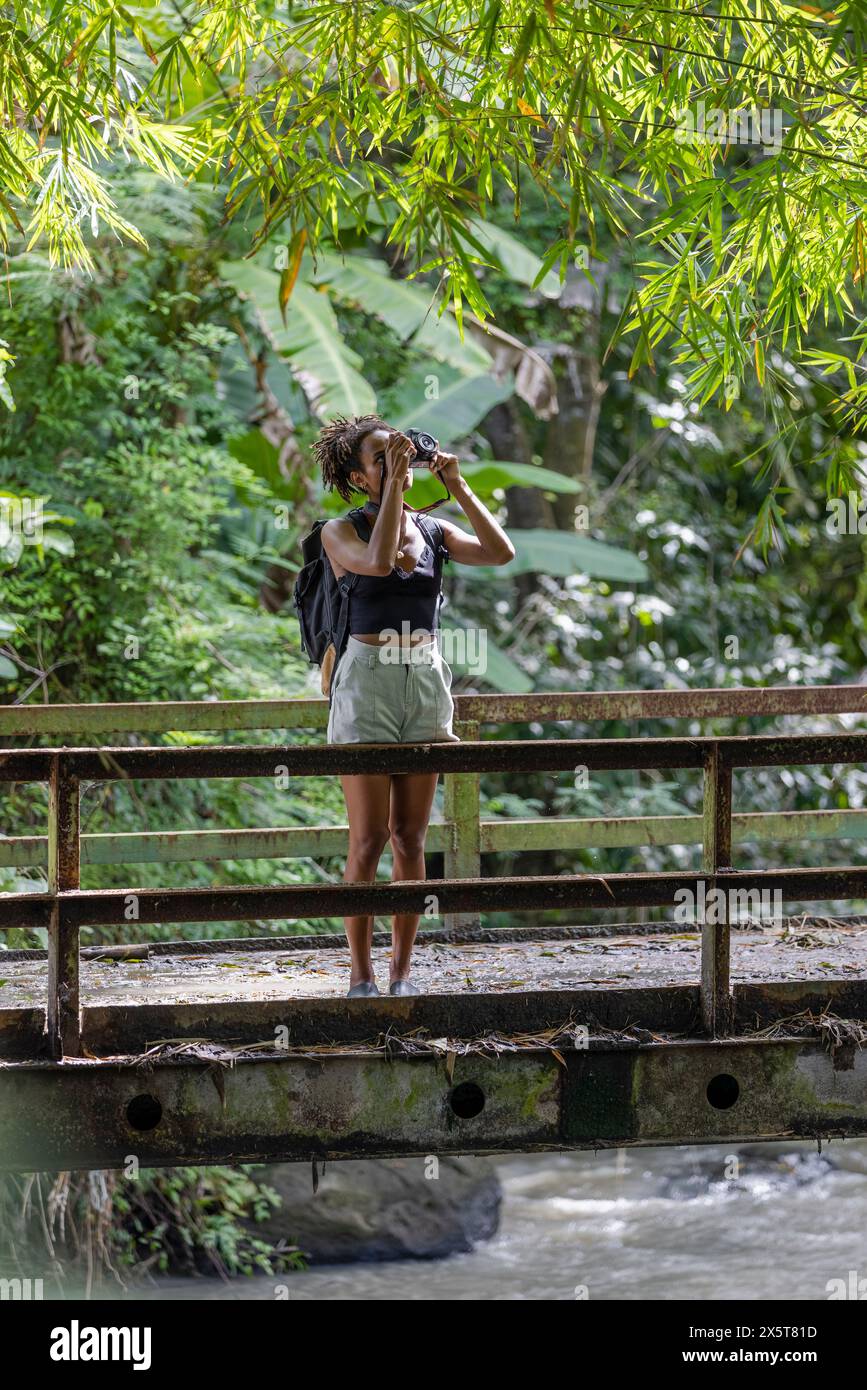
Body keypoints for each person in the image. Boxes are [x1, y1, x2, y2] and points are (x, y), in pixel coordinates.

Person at [313, 414, 515, 997]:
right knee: (367, 840)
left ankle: (402, 973)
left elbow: (500, 553)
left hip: (423, 675)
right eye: (380, 458)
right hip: (368, 680)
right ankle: (360, 975)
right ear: (358, 475)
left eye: (398, 453)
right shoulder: (339, 531)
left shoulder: (433, 531)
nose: (394, 462)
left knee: (410, 838)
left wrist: (460, 487)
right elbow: (376, 564)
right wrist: (397, 489)